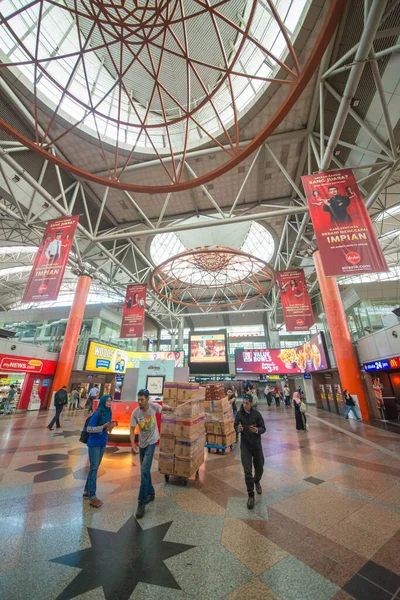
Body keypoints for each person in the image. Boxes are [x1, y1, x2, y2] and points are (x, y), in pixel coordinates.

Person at [130, 389, 173, 519]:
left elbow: (162, 408)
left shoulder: (153, 406)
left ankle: (141, 502)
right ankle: (151, 492)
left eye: (142, 399)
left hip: (152, 441)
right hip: (142, 443)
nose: (139, 402)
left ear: (147, 399)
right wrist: (133, 444)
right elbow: (132, 429)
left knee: (144, 471)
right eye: (138, 399)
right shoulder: (135, 412)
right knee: (145, 471)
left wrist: (170, 408)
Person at [83, 395, 117, 508]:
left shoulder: (109, 412)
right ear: (103, 401)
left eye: (110, 401)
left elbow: (107, 429)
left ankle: (87, 490)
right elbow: (89, 428)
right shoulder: (97, 413)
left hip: (103, 441)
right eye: (107, 401)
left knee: (95, 467)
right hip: (94, 443)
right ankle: (92, 496)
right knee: (94, 468)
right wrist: (102, 427)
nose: (109, 403)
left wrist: (110, 426)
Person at [235, 394, 266, 509]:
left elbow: (263, 428)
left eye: (247, 403)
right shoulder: (239, 414)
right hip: (245, 446)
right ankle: (251, 495)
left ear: (251, 403)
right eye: (243, 403)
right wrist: (238, 429)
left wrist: (257, 430)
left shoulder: (257, 414)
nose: (244, 405)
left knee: (260, 468)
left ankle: (257, 480)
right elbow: (235, 425)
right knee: (247, 471)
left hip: (257, 446)